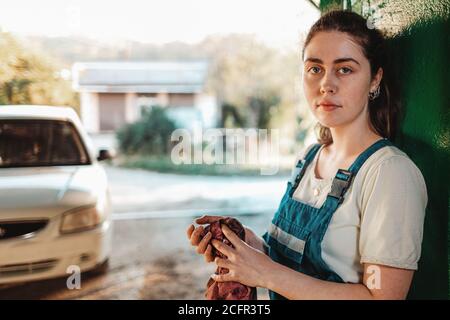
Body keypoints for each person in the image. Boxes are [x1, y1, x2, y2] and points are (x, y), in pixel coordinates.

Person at [187, 10, 427, 300]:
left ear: (374, 80)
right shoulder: (308, 159)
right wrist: (245, 245)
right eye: (315, 69)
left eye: (345, 69)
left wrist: (265, 273)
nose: (326, 84)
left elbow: (383, 298)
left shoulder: (389, 172)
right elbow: (289, 266)